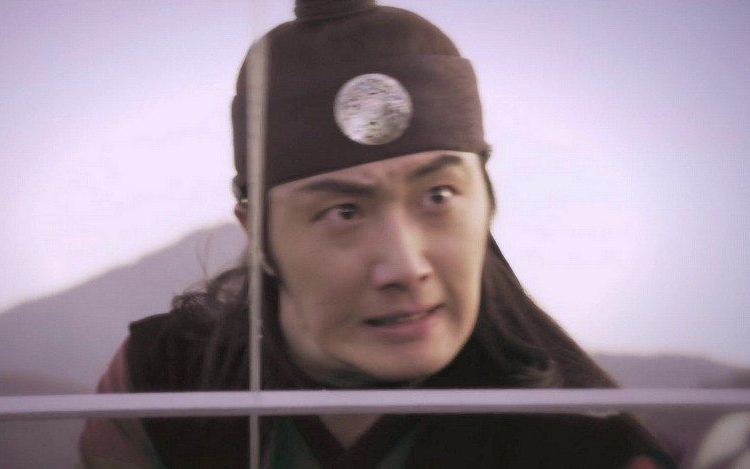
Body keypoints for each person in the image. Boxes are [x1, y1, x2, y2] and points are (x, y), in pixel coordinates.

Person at [78, 1, 675, 467]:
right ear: (257, 235)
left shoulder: (582, 443)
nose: (405, 267)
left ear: (488, 202)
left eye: (438, 196)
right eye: (343, 211)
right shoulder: (166, 383)